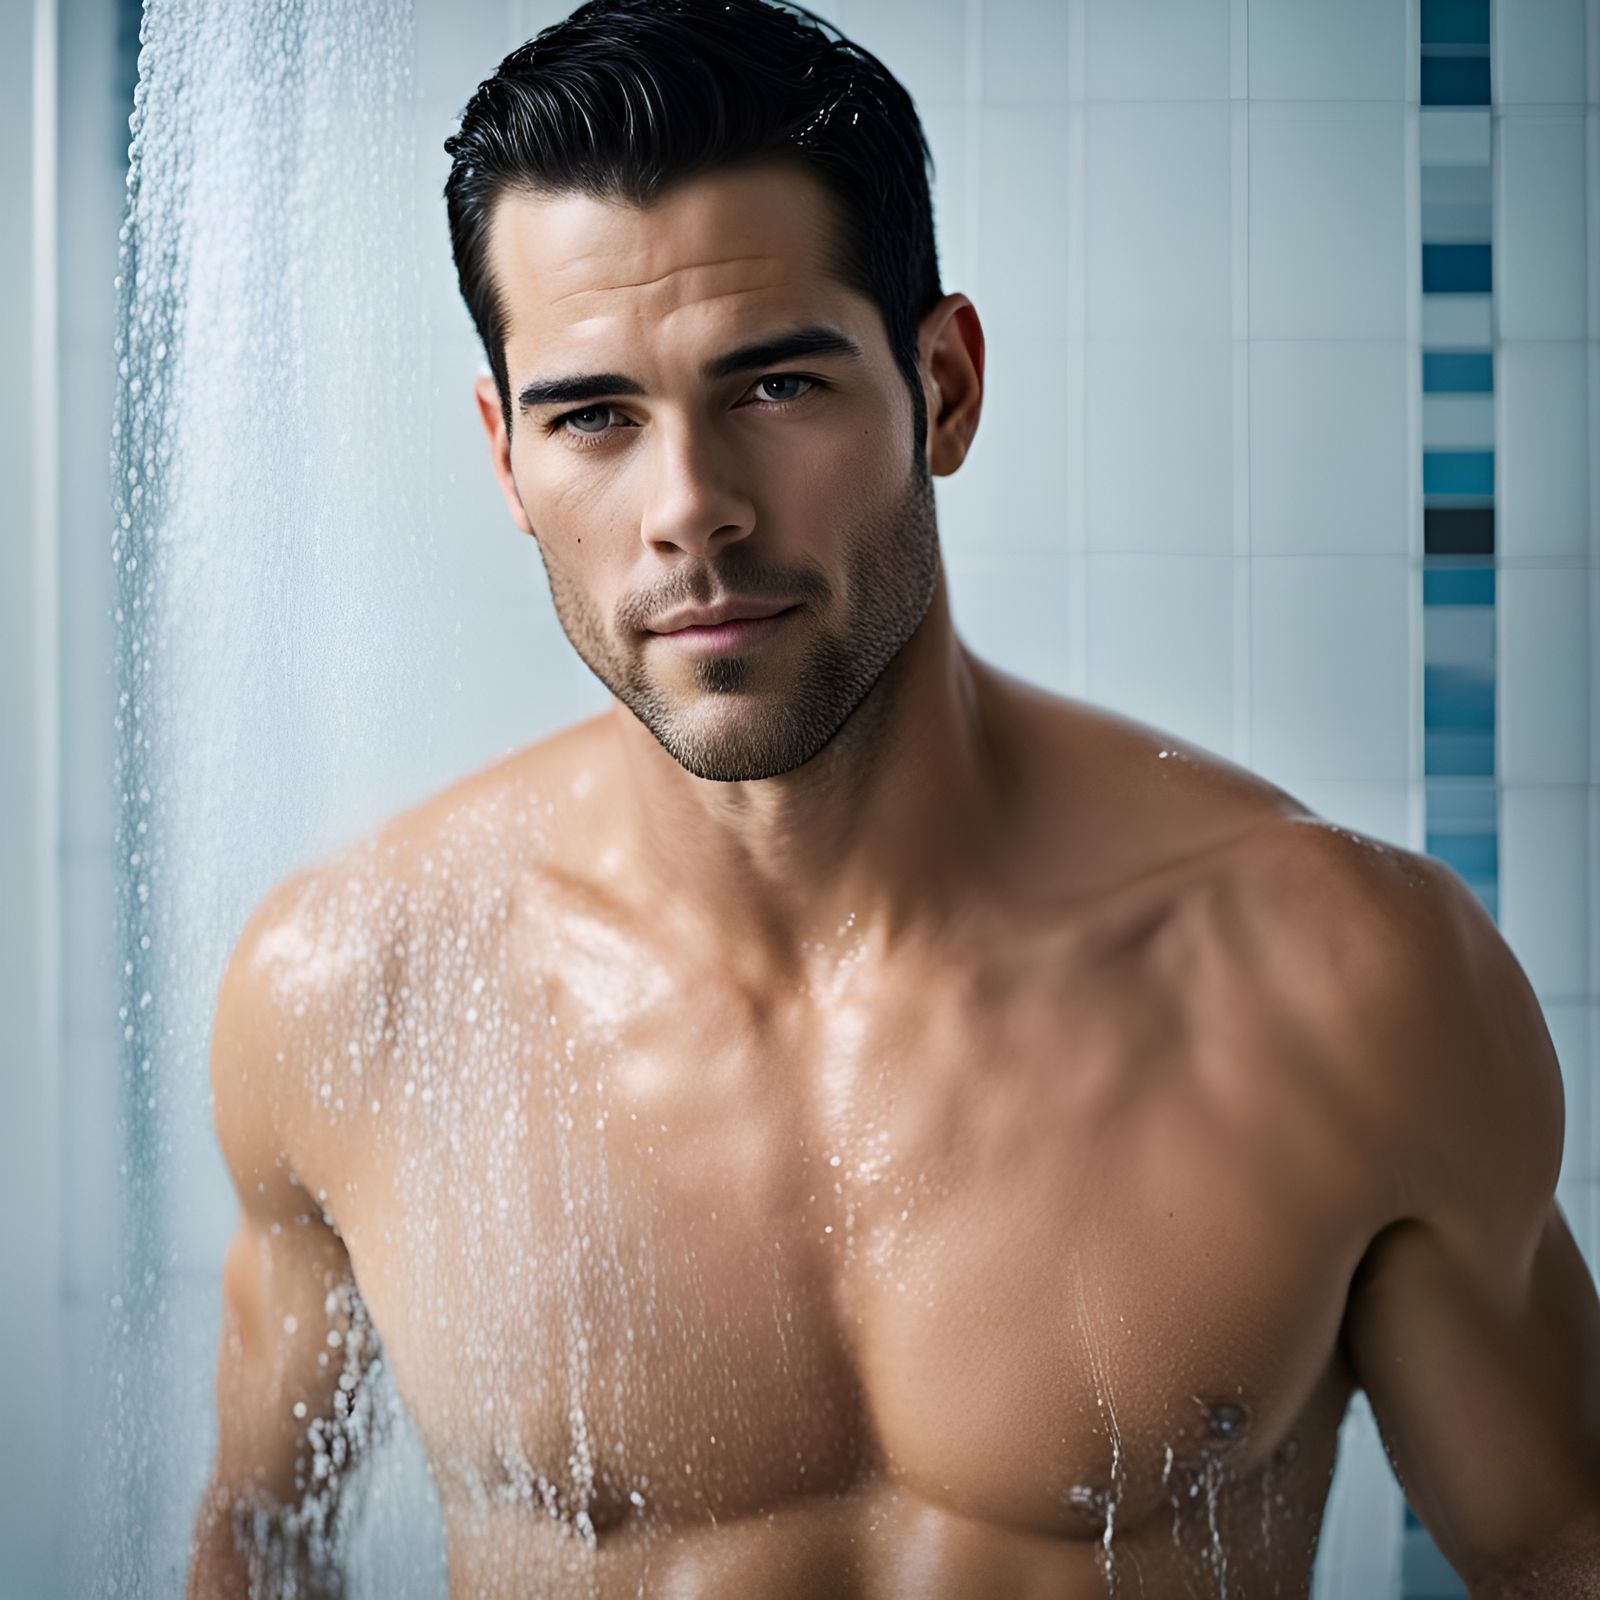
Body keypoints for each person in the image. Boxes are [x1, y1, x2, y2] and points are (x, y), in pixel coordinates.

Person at [185, 0, 1600, 1594]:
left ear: (944, 384)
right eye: (594, 416)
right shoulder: (360, 992)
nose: (691, 513)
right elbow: (259, 1547)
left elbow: (1557, 1546)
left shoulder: (1340, 979)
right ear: (506, 456)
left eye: (775, 388)